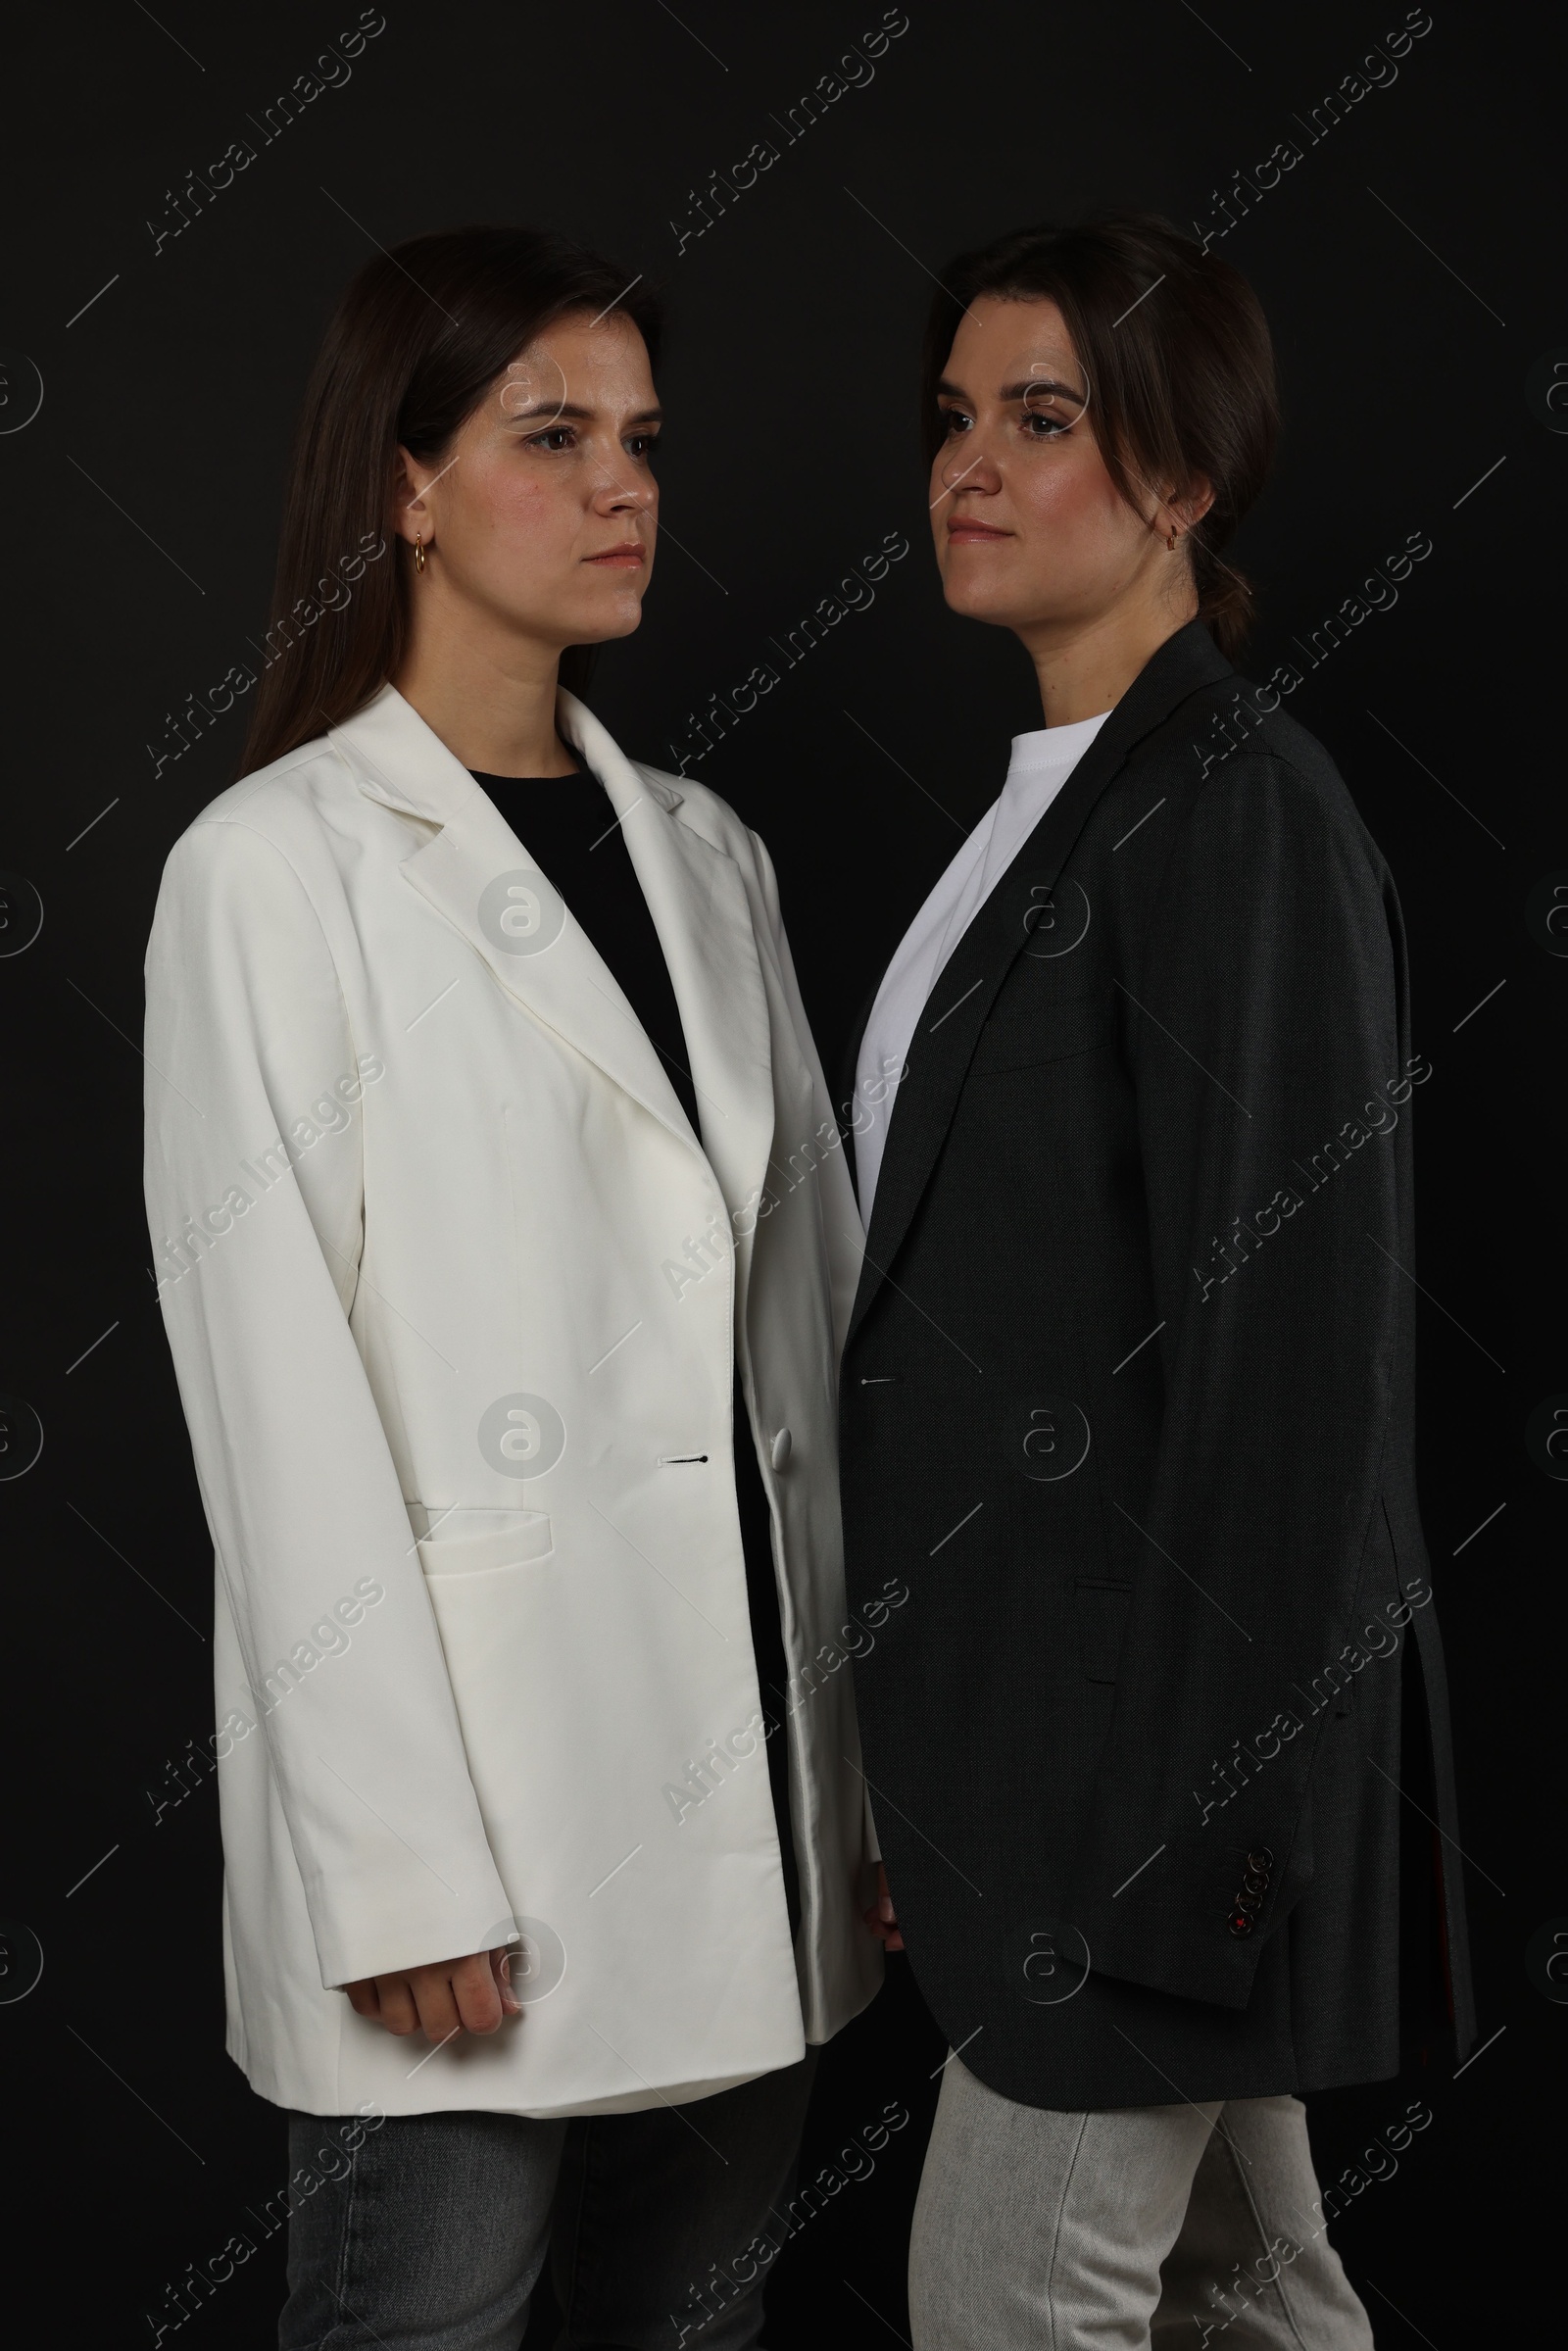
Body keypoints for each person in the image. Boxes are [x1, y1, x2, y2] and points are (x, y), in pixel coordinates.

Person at [142, 223, 880, 2349]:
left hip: (742, 1797)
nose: (623, 485)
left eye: (641, 439)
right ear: (403, 484)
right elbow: (272, 1400)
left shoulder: (709, 857)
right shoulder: (272, 872)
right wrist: (392, 1872)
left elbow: (807, 1355)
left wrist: (858, 1772)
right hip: (477, 1831)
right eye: (551, 437)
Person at [838, 213, 1475, 2347]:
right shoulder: (1049, 816)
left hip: (1147, 1817)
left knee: (1012, 2305)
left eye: (1044, 419)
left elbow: (1295, 1380)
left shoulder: (1232, 813)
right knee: (1256, 2298)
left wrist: (1190, 1858)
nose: (972, 463)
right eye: (952, 419)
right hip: (1034, 1783)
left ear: (1183, 480)